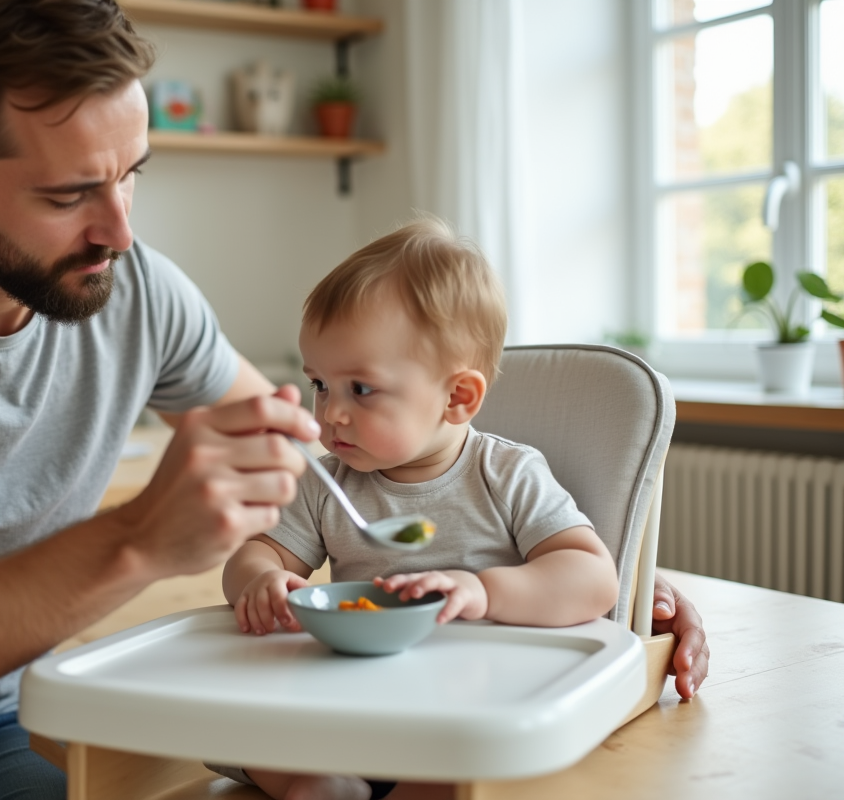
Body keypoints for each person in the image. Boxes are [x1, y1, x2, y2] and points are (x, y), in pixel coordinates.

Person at [0, 1, 706, 797]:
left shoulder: (133, 285)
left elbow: (311, 447)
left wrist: (607, 592)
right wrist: (137, 539)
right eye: (72, 194)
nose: (118, 230)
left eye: (135, 174)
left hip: (5, 721)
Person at [210, 218, 680, 800]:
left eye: (360, 389)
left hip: (473, 695)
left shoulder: (508, 474)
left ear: (457, 397)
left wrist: (484, 591)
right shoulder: (328, 483)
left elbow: (591, 578)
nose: (330, 413)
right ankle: (321, 784)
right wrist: (261, 580)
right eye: (320, 385)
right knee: (232, 727)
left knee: (461, 766)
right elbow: (257, 553)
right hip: (352, 692)